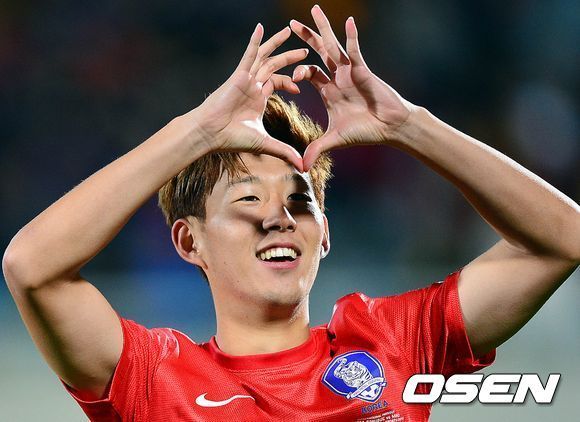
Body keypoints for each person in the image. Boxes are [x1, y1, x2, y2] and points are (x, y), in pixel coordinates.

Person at [3, 5, 579, 421]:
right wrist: (195, 131)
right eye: (248, 199)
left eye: (300, 202)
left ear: (323, 233)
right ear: (188, 241)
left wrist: (409, 126)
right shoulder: (154, 378)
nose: (278, 217)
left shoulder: (390, 342)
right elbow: (32, 267)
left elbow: (562, 238)